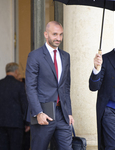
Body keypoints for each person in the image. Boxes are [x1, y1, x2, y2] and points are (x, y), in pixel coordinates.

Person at [25, 21, 74, 150]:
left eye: (61, 35)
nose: (58, 38)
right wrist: (38, 112)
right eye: (55, 34)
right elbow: (30, 87)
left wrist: (68, 112)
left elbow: (66, 87)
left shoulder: (65, 56)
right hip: (44, 113)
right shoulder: (35, 56)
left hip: (62, 114)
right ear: (46, 34)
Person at [0, 62, 28, 150]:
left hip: (0, 123)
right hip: (16, 124)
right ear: (16, 71)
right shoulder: (20, 86)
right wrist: (27, 122)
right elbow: (24, 105)